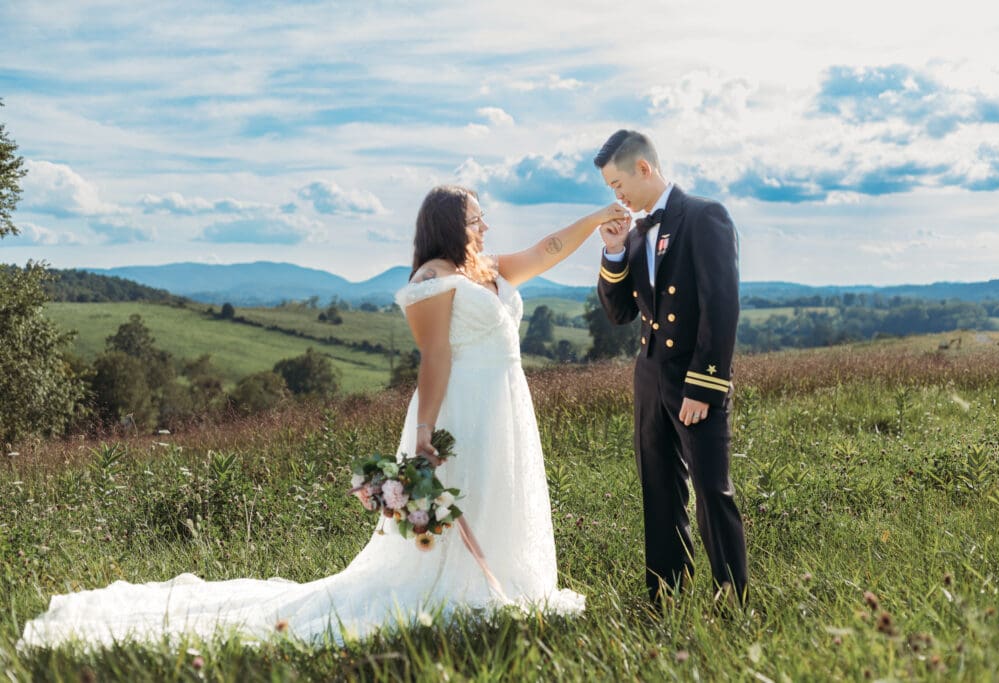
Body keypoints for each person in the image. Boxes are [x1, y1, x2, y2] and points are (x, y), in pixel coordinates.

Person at [19, 185, 627, 649]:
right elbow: (435, 358)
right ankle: (466, 594)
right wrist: (422, 438)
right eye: (474, 217)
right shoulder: (430, 279)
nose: (484, 224)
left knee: (502, 496)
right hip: (462, 408)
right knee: (462, 502)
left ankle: (506, 585)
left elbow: (548, 251)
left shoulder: (486, 269)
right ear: (448, 224)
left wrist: (599, 218)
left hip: (505, 402)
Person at [593, 129, 748, 607]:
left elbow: (720, 306)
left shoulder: (705, 217)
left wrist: (704, 387)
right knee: (658, 490)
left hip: (693, 377)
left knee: (709, 488)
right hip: (649, 377)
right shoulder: (636, 233)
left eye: (618, 185)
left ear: (644, 168)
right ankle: (666, 593)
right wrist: (614, 252)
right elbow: (619, 313)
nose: (616, 197)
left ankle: (732, 596)